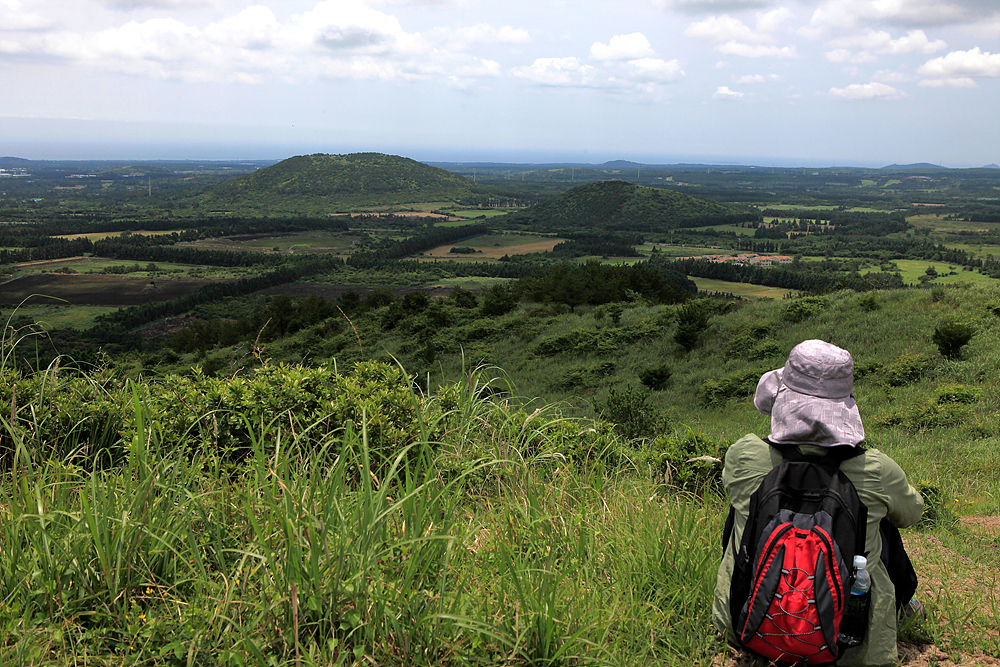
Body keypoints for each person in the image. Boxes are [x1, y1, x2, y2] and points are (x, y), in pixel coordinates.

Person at [712, 339, 924, 666]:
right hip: (852, 648)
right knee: (879, 519)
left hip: (745, 628)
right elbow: (912, 514)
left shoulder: (744, 454)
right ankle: (900, 607)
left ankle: (751, 609)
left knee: (744, 510)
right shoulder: (876, 469)